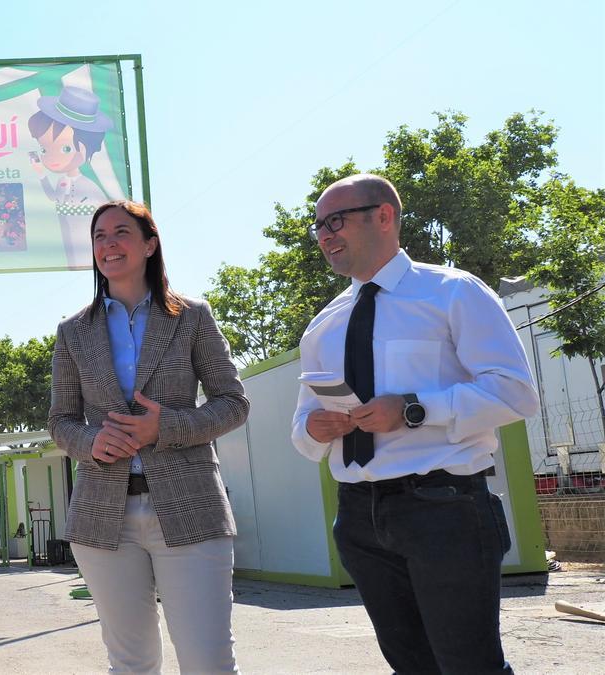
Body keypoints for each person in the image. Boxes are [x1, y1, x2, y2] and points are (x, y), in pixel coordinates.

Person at [291, 173, 540, 673]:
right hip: (360, 517)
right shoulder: (324, 324)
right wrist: (315, 430)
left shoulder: (452, 292)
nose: (324, 235)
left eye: (335, 221)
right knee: (412, 667)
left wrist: (411, 409)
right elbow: (302, 427)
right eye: (318, 225)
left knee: (470, 666)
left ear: (384, 216)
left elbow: (516, 393)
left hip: (443, 510)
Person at [48, 199, 250, 673]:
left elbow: (234, 403)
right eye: (99, 236)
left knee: (208, 661)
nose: (108, 244)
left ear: (149, 244)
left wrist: (168, 427)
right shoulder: (72, 332)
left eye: (120, 233)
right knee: (131, 664)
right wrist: (91, 441)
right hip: (104, 518)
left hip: (191, 507)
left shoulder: (193, 317)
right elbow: (60, 421)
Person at [29, 85, 113, 269]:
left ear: (84, 148)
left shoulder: (89, 186)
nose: (51, 158)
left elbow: (104, 216)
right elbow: (54, 197)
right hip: (68, 239)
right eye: (44, 149)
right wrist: (41, 174)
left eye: (65, 148)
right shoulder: (62, 181)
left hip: (88, 242)